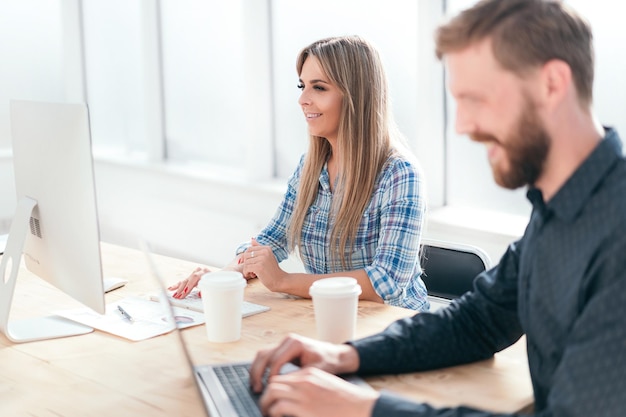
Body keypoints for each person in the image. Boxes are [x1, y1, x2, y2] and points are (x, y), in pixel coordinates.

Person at [248, 1, 626, 416]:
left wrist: (365, 408)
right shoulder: (559, 210)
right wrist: (345, 357)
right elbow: (476, 322)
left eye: (476, 98)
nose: (462, 125)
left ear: (552, 84)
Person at [169, 35, 429, 311]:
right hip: (330, 316)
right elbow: (270, 241)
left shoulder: (400, 174)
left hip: (393, 327)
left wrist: (284, 281)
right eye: (302, 86)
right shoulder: (311, 166)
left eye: (319, 88)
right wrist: (223, 277)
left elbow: (385, 283)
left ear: (356, 95)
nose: (302, 99)